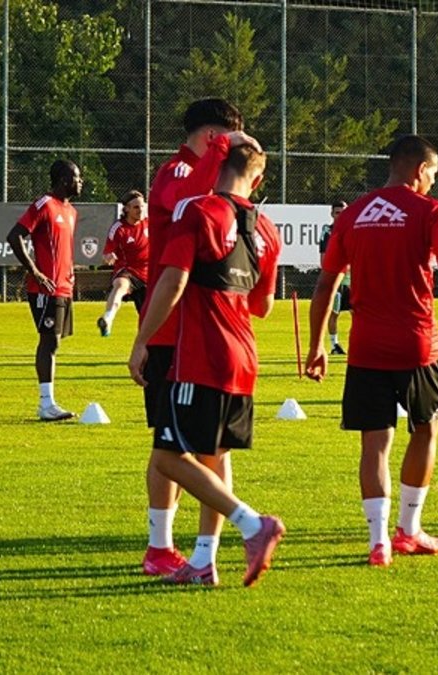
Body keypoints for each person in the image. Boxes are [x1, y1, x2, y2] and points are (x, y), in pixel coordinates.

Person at [304, 135, 438, 568]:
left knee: (374, 444)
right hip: (418, 345)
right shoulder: (429, 211)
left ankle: (378, 542)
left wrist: (316, 346)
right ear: (421, 169)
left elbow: (326, 285)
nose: (433, 181)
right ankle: (409, 530)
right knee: (425, 430)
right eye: (434, 173)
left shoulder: (353, 215)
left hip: (365, 348)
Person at [128, 142, 285, 587]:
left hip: (201, 354)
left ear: (217, 167)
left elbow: (172, 280)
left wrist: (142, 340)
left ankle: (253, 524)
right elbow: (263, 306)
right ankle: (203, 561)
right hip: (244, 357)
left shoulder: (197, 210)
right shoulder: (267, 229)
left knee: (167, 457)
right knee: (214, 457)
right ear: (258, 180)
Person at [139, 98, 259, 577]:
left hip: (206, 332)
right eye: (230, 139)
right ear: (214, 138)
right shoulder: (177, 172)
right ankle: (160, 546)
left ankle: (204, 554)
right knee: (167, 445)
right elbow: (183, 203)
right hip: (170, 330)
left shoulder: (218, 191)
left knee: (211, 449)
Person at [6, 159, 83, 422]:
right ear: (63, 180)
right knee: (49, 341)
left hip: (63, 286)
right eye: (77, 177)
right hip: (45, 288)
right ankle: (46, 404)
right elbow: (15, 236)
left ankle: (49, 402)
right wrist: (35, 272)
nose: (80, 182)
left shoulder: (71, 211)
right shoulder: (44, 205)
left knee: (55, 341)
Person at [96, 190, 149, 337]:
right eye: (136, 207)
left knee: (148, 319)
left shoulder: (149, 223)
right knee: (120, 285)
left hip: (148, 275)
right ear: (126, 209)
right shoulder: (119, 228)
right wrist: (108, 257)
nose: (140, 210)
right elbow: (107, 253)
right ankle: (108, 318)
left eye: (142, 206)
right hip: (128, 270)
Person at [318, 200, 350, 355]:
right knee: (334, 313)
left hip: (353, 279)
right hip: (337, 280)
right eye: (337, 213)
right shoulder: (327, 232)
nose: (341, 216)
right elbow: (323, 258)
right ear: (332, 214)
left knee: (358, 313)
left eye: (343, 212)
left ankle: (358, 344)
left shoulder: (354, 229)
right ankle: (334, 345)